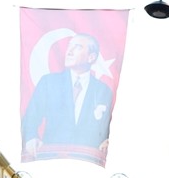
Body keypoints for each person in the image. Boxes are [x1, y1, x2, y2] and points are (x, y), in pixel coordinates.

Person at [21, 33, 114, 163]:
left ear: (91, 57)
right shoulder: (49, 83)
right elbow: (31, 116)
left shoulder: (103, 91)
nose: (69, 51)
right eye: (69, 46)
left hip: (86, 162)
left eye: (77, 47)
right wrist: (31, 138)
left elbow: (107, 126)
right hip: (52, 159)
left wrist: (108, 139)